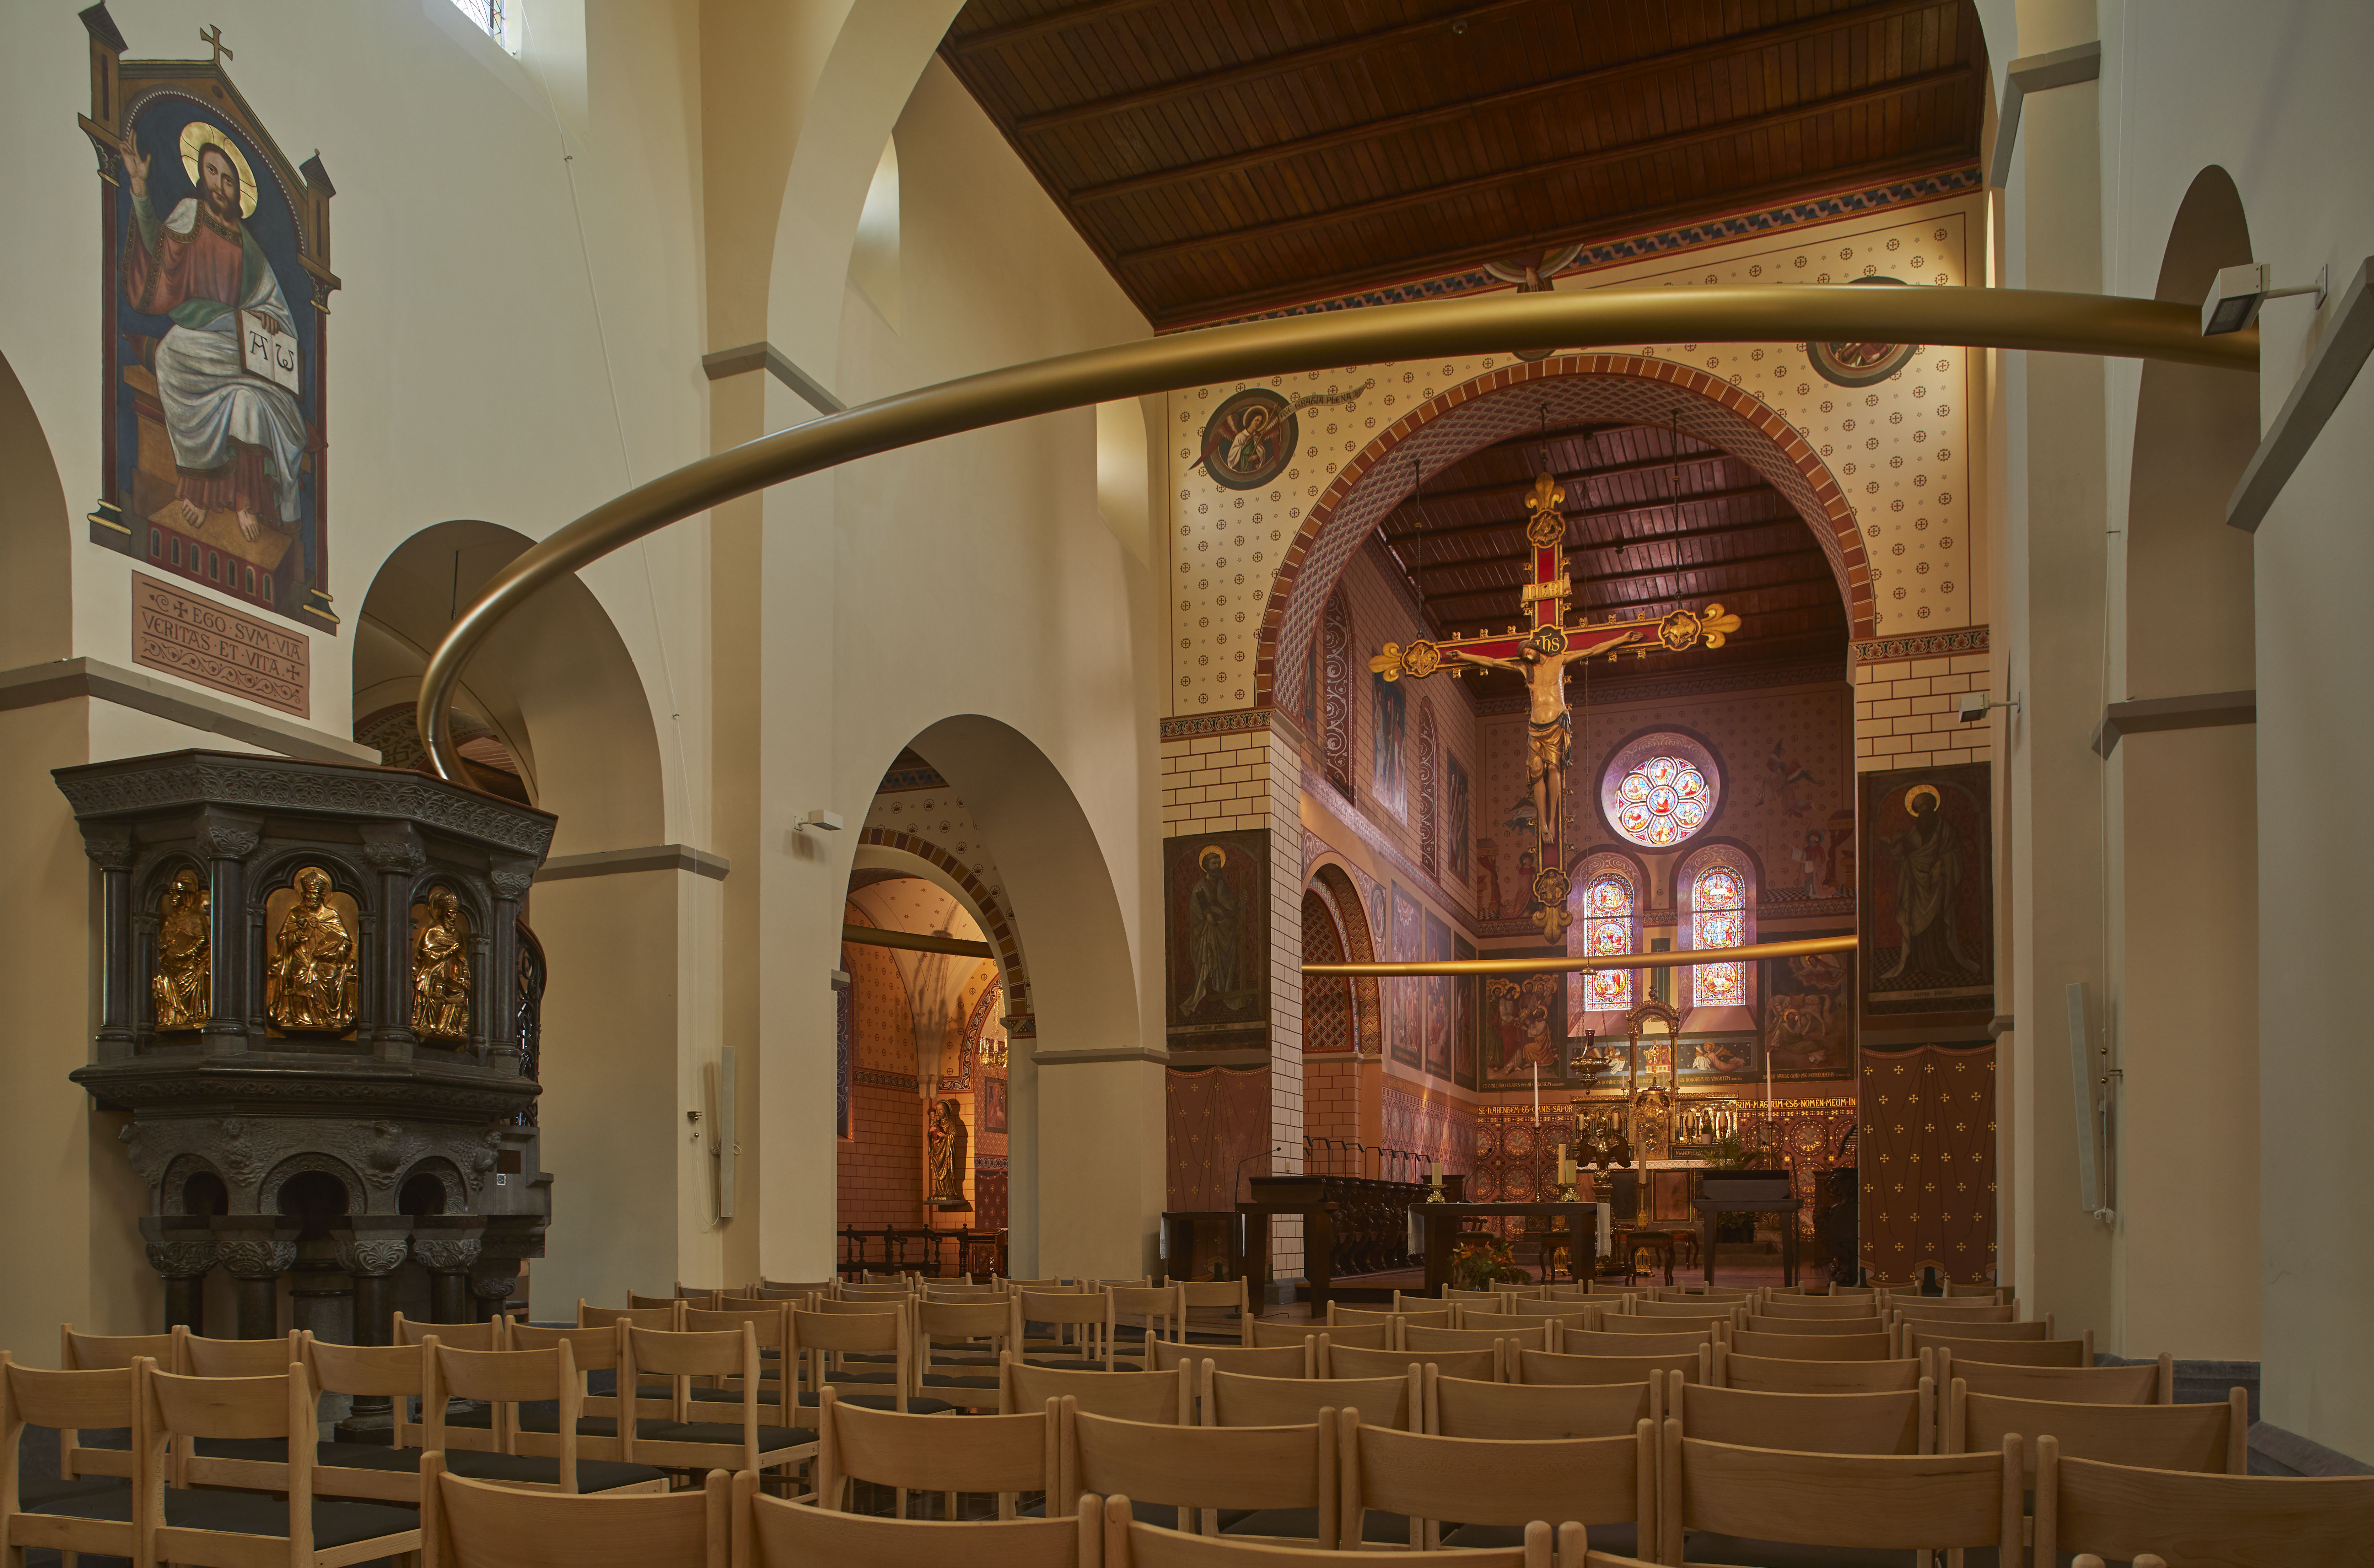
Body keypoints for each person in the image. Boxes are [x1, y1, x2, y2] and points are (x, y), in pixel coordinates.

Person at [121, 125, 310, 544]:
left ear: (237, 190)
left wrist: (269, 321)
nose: (220, 185)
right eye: (212, 173)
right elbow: (157, 253)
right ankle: (201, 490)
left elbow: (275, 308)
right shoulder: (190, 215)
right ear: (200, 176)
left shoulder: (250, 247)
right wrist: (140, 191)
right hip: (197, 333)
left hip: (234, 343)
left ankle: (243, 501)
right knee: (170, 356)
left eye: (228, 179)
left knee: (248, 402)